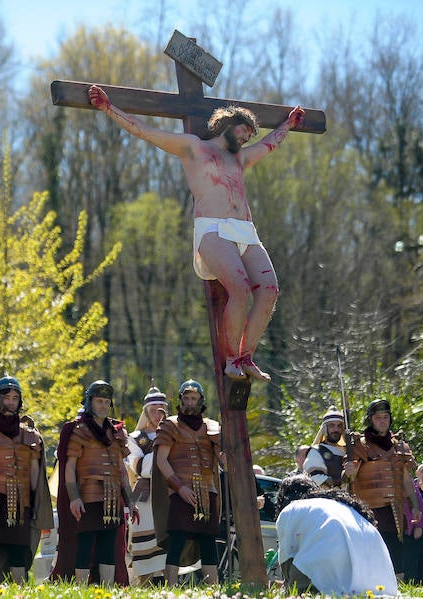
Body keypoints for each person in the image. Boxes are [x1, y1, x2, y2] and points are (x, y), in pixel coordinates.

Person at [88, 85, 304, 383]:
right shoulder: (194, 147)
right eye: (243, 131)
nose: (245, 138)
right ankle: (231, 360)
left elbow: (269, 144)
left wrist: (288, 125)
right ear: (228, 123)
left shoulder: (240, 158)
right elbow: (145, 131)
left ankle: (245, 356)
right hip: (212, 228)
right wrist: (109, 108)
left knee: (269, 290)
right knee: (239, 289)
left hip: (245, 230)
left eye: (249, 137)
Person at [63, 380, 139, 585]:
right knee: (85, 545)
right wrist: (74, 498)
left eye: (107, 401)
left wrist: (130, 500)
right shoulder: (80, 430)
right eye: (99, 401)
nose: (104, 405)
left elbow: (122, 470)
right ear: (89, 402)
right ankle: (79, 591)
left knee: (108, 548)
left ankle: (106, 591)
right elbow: (70, 467)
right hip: (87, 495)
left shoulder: (116, 433)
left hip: (113, 498)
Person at [0, 375, 53, 584]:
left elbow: (34, 477)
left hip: (21, 502)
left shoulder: (30, 435)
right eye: (6, 397)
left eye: (14, 398)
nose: (10, 402)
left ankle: (19, 593)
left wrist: (33, 504)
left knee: (18, 555)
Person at [274, 475, 398, 595]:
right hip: (382, 583)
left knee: (295, 577)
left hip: (332, 580)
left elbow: (286, 558)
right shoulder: (340, 505)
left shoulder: (291, 509)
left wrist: (287, 587)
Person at [152, 379, 222, 585]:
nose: (191, 402)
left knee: (208, 542)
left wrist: (226, 451)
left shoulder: (212, 427)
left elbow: (222, 459)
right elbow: (161, 461)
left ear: (201, 400)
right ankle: (171, 588)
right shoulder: (170, 425)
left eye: (194, 398)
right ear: (181, 400)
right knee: (177, 540)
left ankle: (213, 589)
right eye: (187, 398)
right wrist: (179, 488)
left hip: (208, 491)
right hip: (181, 490)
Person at [345, 398, 420, 575]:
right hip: (369, 511)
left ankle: (396, 591)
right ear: (371, 420)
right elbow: (349, 478)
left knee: (396, 559)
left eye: (385, 417)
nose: (382, 421)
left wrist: (415, 505)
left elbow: (405, 479)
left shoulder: (400, 446)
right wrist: (349, 471)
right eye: (378, 417)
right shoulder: (360, 446)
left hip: (395, 512)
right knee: (371, 557)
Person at [124, 385, 169, 585]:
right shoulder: (134, 439)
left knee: (169, 550)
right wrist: (162, 445)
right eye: (153, 410)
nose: (158, 415)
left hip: (169, 496)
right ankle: (144, 588)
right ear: (146, 412)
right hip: (145, 499)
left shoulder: (175, 435)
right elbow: (141, 468)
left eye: (162, 410)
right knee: (146, 552)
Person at [303, 406, 347, 488]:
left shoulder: (347, 451)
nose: (336, 429)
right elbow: (316, 478)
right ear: (325, 428)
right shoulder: (316, 451)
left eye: (339, 426)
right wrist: (345, 479)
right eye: (332, 426)